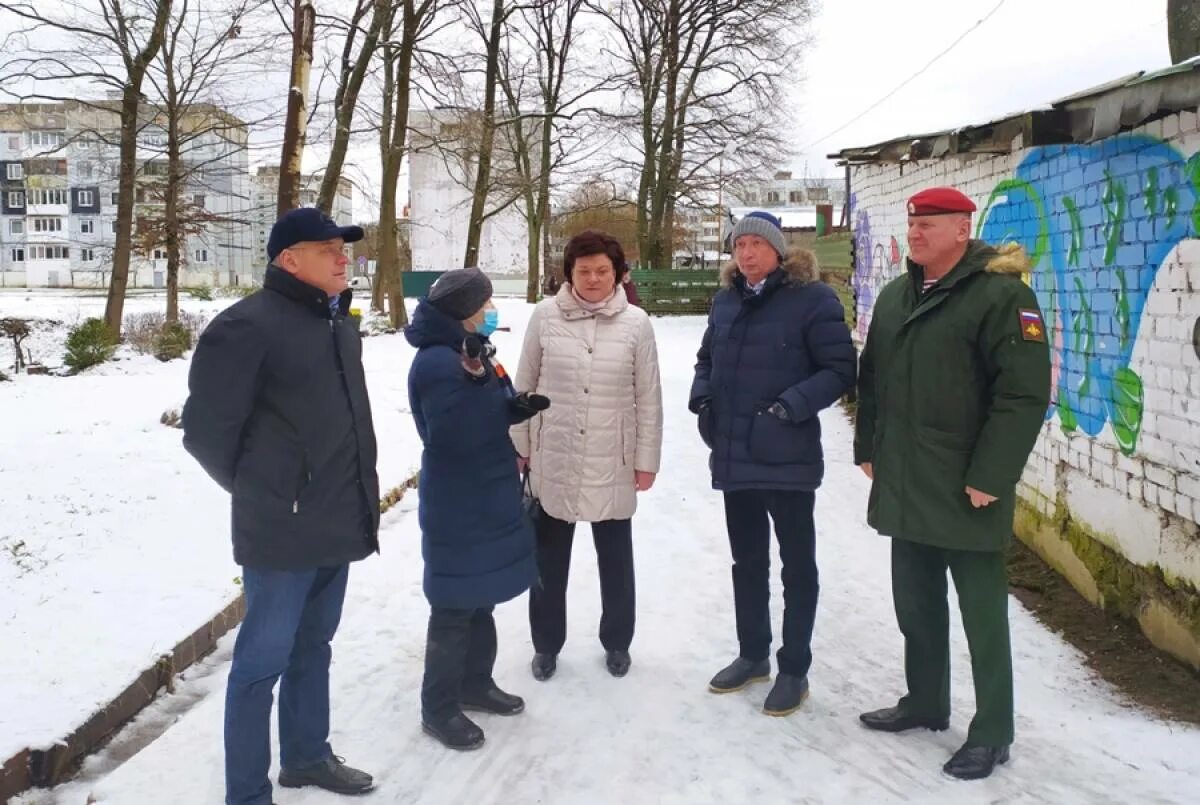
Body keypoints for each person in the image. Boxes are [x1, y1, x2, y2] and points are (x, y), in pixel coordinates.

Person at [854, 187, 1051, 780]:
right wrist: (868, 446)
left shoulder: (1001, 296)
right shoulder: (895, 296)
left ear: (963, 230)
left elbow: (1022, 395)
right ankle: (925, 701)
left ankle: (993, 731)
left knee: (982, 616)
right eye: (913, 225)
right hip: (906, 476)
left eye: (929, 226)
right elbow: (875, 376)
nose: (915, 235)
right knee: (914, 605)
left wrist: (992, 475)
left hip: (968, 484)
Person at [182, 207, 378, 805]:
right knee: (260, 663)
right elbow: (206, 432)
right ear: (289, 259)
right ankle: (246, 793)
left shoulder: (337, 323)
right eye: (329, 249)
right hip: (282, 529)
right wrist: (265, 491)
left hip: (338, 515)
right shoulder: (247, 326)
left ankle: (306, 757)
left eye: (345, 249)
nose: (344, 257)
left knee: (313, 646)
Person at [689, 210, 855, 717]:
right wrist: (703, 402)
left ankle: (793, 669)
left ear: (779, 251)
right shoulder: (725, 301)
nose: (746, 253)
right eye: (739, 246)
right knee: (748, 563)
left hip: (787, 456)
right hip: (735, 453)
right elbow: (706, 360)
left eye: (756, 245)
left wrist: (790, 407)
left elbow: (840, 368)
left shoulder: (812, 299)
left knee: (796, 565)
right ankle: (753, 654)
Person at [406, 267, 550, 751]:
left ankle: (475, 683)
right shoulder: (436, 362)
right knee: (453, 606)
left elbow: (487, 410)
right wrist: (473, 387)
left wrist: (516, 407)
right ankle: (439, 707)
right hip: (458, 501)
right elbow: (450, 435)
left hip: (487, 492)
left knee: (480, 598)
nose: (492, 311)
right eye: (484, 304)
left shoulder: (470, 353)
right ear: (463, 312)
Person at [511, 230, 663, 681]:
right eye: (584, 271)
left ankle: (617, 642)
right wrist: (520, 444)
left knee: (616, 560)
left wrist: (646, 460)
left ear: (617, 273)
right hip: (553, 453)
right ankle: (546, 645)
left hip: (611, 456)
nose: (593, 279)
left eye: (602, 270)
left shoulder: (637, 323)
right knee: (548, 562)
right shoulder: (545, 317)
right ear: (569, 273)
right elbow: (524, 384)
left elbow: (648, 397)